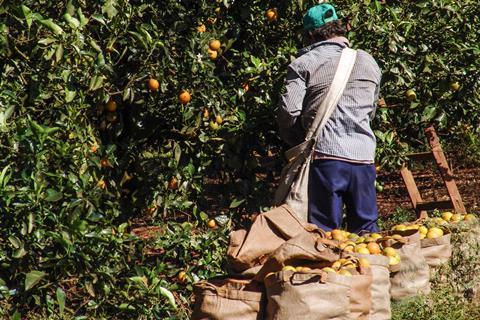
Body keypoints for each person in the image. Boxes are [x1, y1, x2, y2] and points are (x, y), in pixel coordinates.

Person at [277, 3, 382, 233]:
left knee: (324, 233)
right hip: (364, 157)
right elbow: (370, 111)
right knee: (367, 235)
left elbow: (289, 112)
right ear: (341, 27)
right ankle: (372, 269)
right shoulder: (369, 62)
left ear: (311, 34)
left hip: (326, 158)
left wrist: (298, 140)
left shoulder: (304, 63)